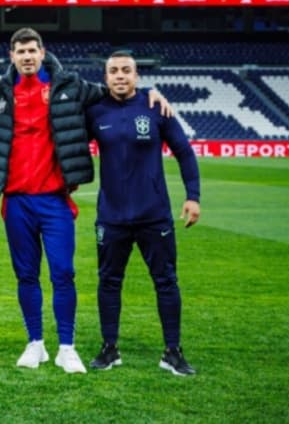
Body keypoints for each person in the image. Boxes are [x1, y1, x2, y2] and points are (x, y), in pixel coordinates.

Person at [0, 28, 170, 374]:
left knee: (63, 274)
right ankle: (35, 343)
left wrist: (150, 94)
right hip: (17, 200)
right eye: (20, 51)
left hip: (54, 200)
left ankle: (67, 347)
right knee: (26, 275)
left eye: (31, 50)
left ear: (42, 52)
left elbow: (117, 94)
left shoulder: (71, 87)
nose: (26, 57)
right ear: (11, 55)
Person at [85, 52, 200, 376]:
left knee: (166, 281)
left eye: (126, 70)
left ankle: (172, 351)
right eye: (113, 71)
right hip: (111, 216)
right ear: (105, 77)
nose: (120, 76)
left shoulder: (155, 107)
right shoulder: (94, 110)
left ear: (136, 76)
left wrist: (193, 197)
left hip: (154, 214)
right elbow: (69, 141)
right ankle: (110, 348)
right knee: (109, 281)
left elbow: (184, 153)